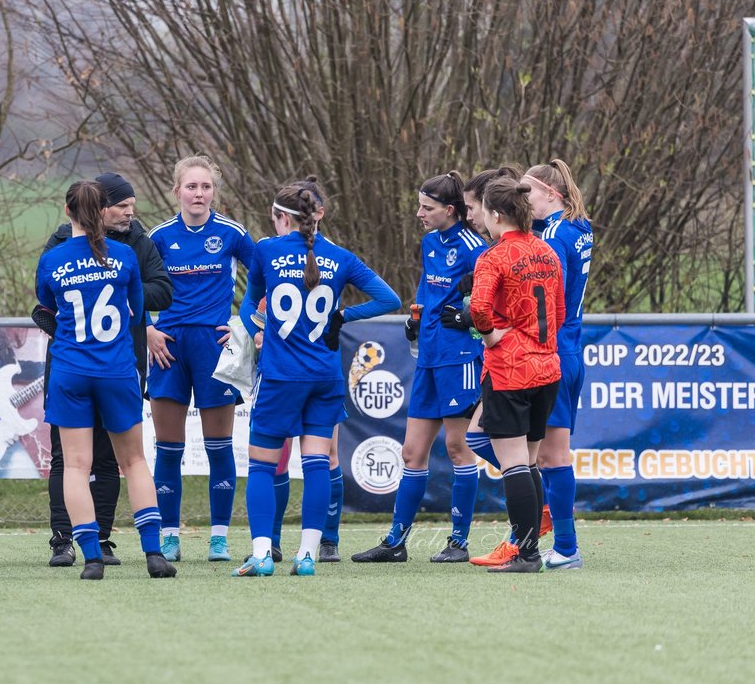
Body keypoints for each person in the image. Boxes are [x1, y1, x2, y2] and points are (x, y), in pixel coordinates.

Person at [235, 178, 400, 577]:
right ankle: (308, 555)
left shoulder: (266, 250)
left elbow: (247, 308)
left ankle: (261, 554)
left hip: (280, 376)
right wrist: (341, 316)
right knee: (316, 465)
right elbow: (389, 299)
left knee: (261, 466)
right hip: (324, 377)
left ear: (280, 218)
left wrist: (261, 330)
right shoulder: (340, 257)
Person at [35, 179, 177, 580]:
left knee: (76, 466)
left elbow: (46, 306)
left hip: (70, 370)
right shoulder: (126, 255)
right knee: (132, 462)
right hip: (116, 369)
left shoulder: (53, 259)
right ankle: (153, 555)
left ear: (68, 213)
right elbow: (135, 311)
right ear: (102, 212)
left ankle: (92, 558)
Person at [351, 172, 487, 564]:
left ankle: (458, 543)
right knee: (412, 453)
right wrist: (417, 315)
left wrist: (465, 314)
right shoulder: (430, 242)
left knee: (460, 448)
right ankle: (396, 542)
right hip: (427, 359)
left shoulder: (475, 246)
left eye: (427, 208)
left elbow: (489, 300)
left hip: (458, 359)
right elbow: (429, 290)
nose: (418, 213)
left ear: (450, 209)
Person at [146, 155, 254, 562]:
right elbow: (128, 285)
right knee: (168, 448)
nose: (199, 193)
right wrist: (147, 327)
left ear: (214, 191)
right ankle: (169, 535)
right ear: (177, 191)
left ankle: (219, 538)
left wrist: (246, 322)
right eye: (191, 186)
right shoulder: (158, 237)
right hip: (168, 348)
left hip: (214, 347)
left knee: (219, 446)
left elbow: (267, 276)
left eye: (205, 187)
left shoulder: (231, 233)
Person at [468, 177, 565, 573]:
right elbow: (557, 313)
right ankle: (531, 545)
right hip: (547, 367)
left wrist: (491, 335)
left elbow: (477, 308)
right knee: (528, 461)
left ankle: (526, 553)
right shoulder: (547, 251)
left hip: (511, 370)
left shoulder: (493, 257)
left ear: (495, 214)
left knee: (513, 465)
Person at [525, 160, 592, 569]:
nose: (523, 200)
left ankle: (566, 546)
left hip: (553, 350)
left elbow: (550, 298)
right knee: (549, 456)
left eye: (527, 193)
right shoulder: (579, 227)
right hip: (570, 350)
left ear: (551, 193)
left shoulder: (551, 235)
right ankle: (558, 531)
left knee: (551, 457)